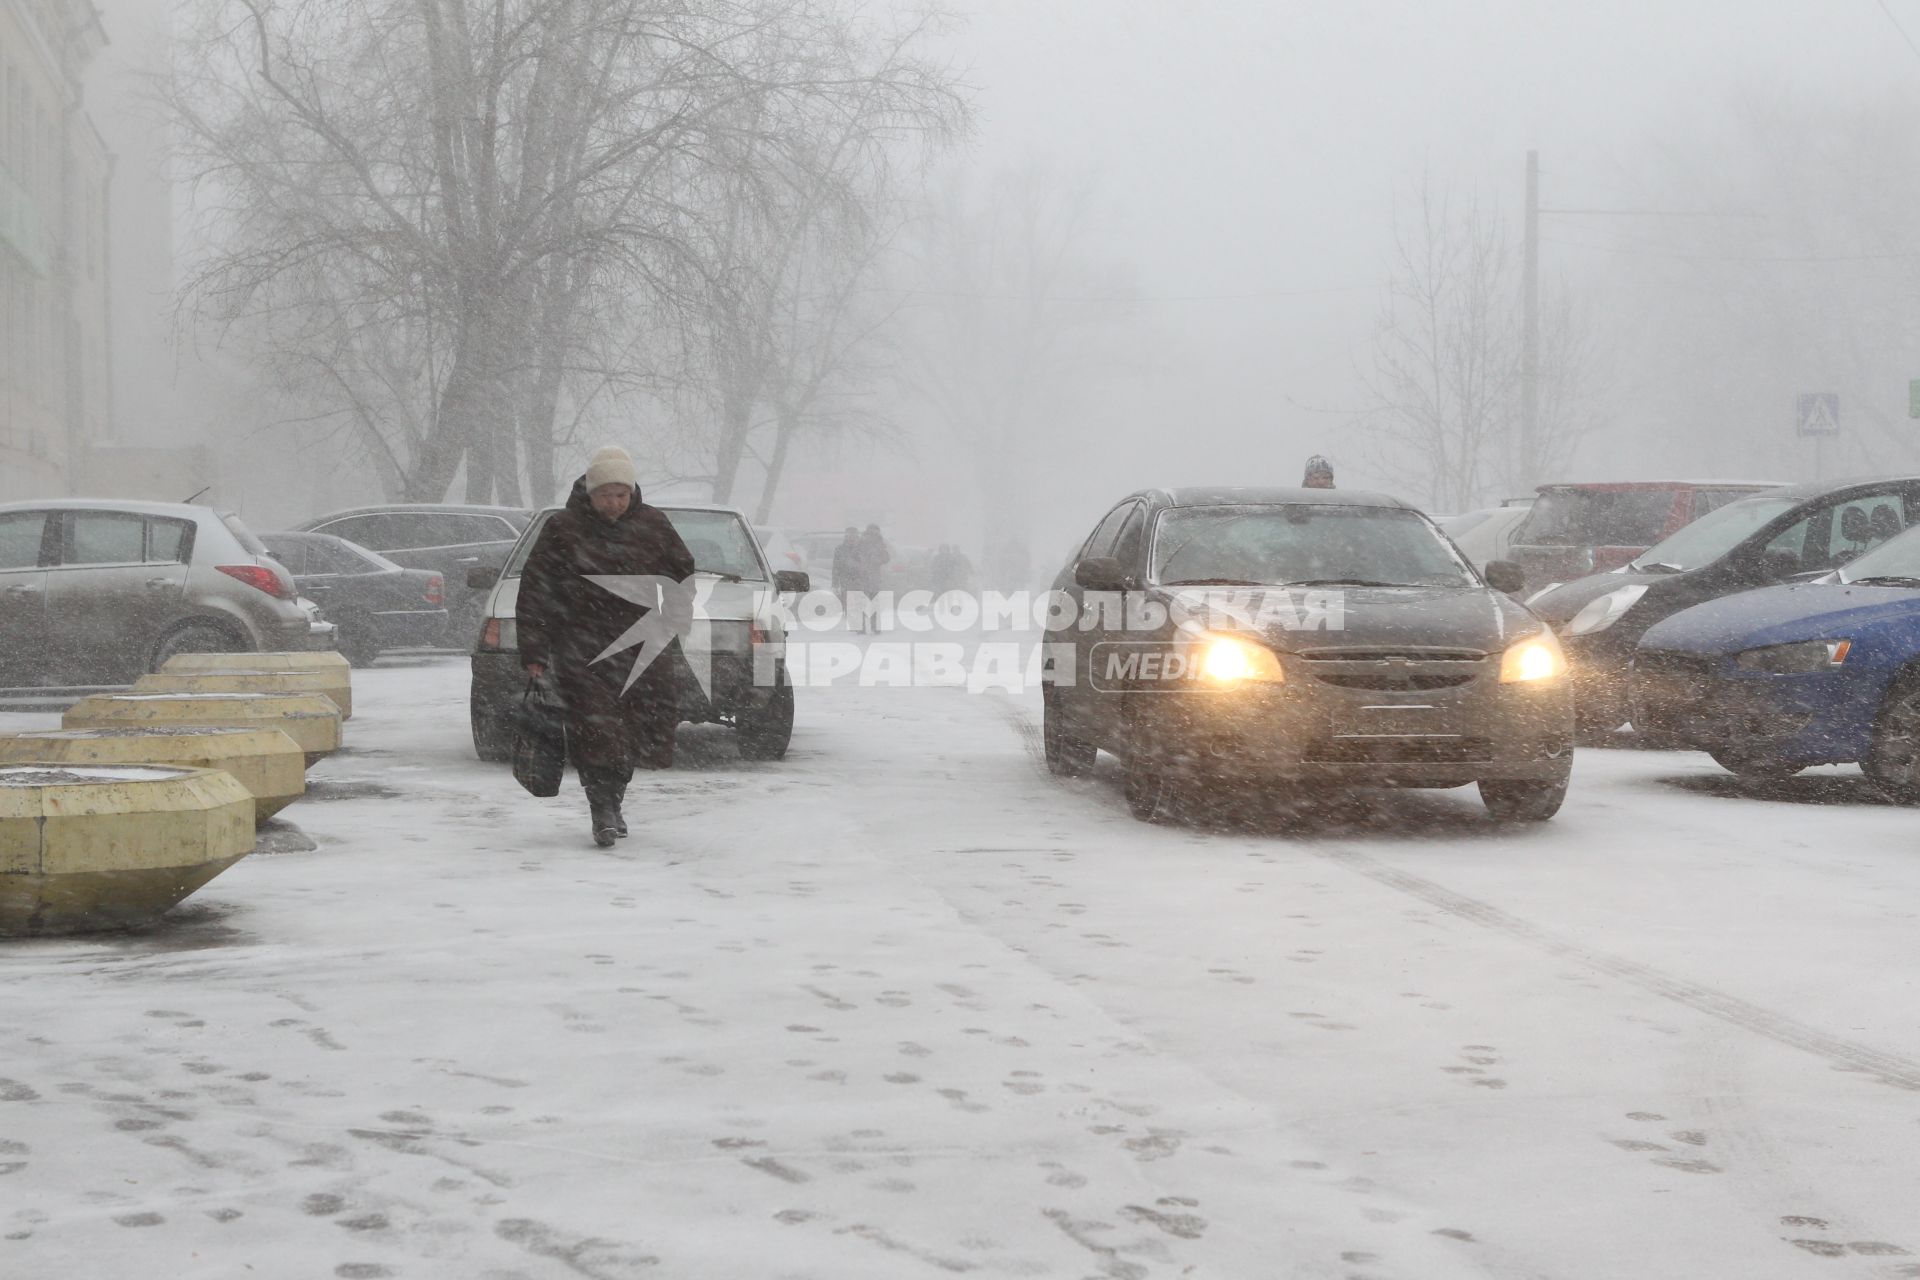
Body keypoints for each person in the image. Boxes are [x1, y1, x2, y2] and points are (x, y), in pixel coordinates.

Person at [516, 445, 696, 847]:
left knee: (637, 729)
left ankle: (613, 798)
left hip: (642, 643)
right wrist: (534, 651)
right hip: (581, 644)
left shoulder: (653, 524)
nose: (613, 504)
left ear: (631, 493)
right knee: (596, 727)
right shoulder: (563, 528)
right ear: (590, 493)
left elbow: (682, 572)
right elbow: (535, 589)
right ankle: (602, 808)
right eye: (605, 495)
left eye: (621, 495)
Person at [852, 524, 890, 632]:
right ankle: (862, 627)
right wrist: (861, 560)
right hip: (864, 575)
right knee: (864, 602)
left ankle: (874, 626)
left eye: (874, 532)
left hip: (874, 576)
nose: (872, 534)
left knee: (873, 602)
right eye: (871, 532)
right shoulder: (861, 542)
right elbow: (854, 555)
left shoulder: (880, 543)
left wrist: (878, 560)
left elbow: (886, 558)